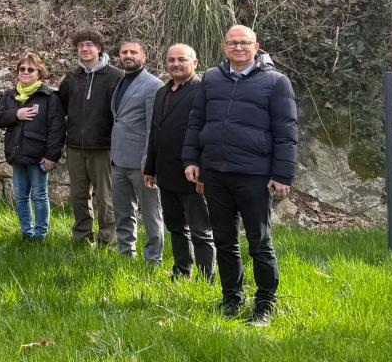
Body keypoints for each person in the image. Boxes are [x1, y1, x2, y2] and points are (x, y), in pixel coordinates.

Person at [184, 25, 298, 326]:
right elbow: (196, 122)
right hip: (215, 174)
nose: (238, 47)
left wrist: (282, 175)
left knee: (259, 241)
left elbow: (286, 132)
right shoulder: (211, 79)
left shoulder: (276, 82)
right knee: (224, 241)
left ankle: (265, 304)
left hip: (254, 175)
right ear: (224, 48)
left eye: (244, 43)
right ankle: (231, 299)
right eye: (232, 43)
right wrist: (191, 159)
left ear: (256, 47)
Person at [144, 44, 214, 282]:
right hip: (166, 173)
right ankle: (182, 272)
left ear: (195, 63)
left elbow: (207, 135)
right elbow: (156, 132)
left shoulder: (202, 91)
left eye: (181, 59)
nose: (175, 64)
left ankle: (206, 279)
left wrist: (204, 172)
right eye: (171, 59)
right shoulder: (162, 92)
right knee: (176, 227)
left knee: (201, 231)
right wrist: (150, 168)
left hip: (192, 175)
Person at [58, 27, 123, 246]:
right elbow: (60, 107)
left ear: (99, 48)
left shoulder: (116, 77)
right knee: (78, 196)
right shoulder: (71, 77)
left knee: (105, 198)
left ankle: (108, 240)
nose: (84, 49)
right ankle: (82, 239)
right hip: (75, 147)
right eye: (80, 45)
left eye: (89, 45)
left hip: (103, 147)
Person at [0, 53, 65, 242]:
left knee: (40, 196)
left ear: (39, 73)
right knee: (21, 197)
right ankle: (27, 232)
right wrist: (16, 114)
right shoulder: (11, 95)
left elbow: (57, 129)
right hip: (17, 154)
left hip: (38, 156)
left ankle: (40, 235)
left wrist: (51, 156)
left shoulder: (49, 97)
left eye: (31, 69)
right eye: (22, 69)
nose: (25, 72)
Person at [109, 39, 164, 262]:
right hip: (118, 160)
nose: (128, 56)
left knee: (151, 213)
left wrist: (148, 163)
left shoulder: (153, 85)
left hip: (141, 163)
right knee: (122, 212)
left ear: (144, 57)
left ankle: (153, 258)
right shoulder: (121, 82)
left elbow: (153, 127)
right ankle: (126, 254)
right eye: (124, 52)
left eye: (133, 52)